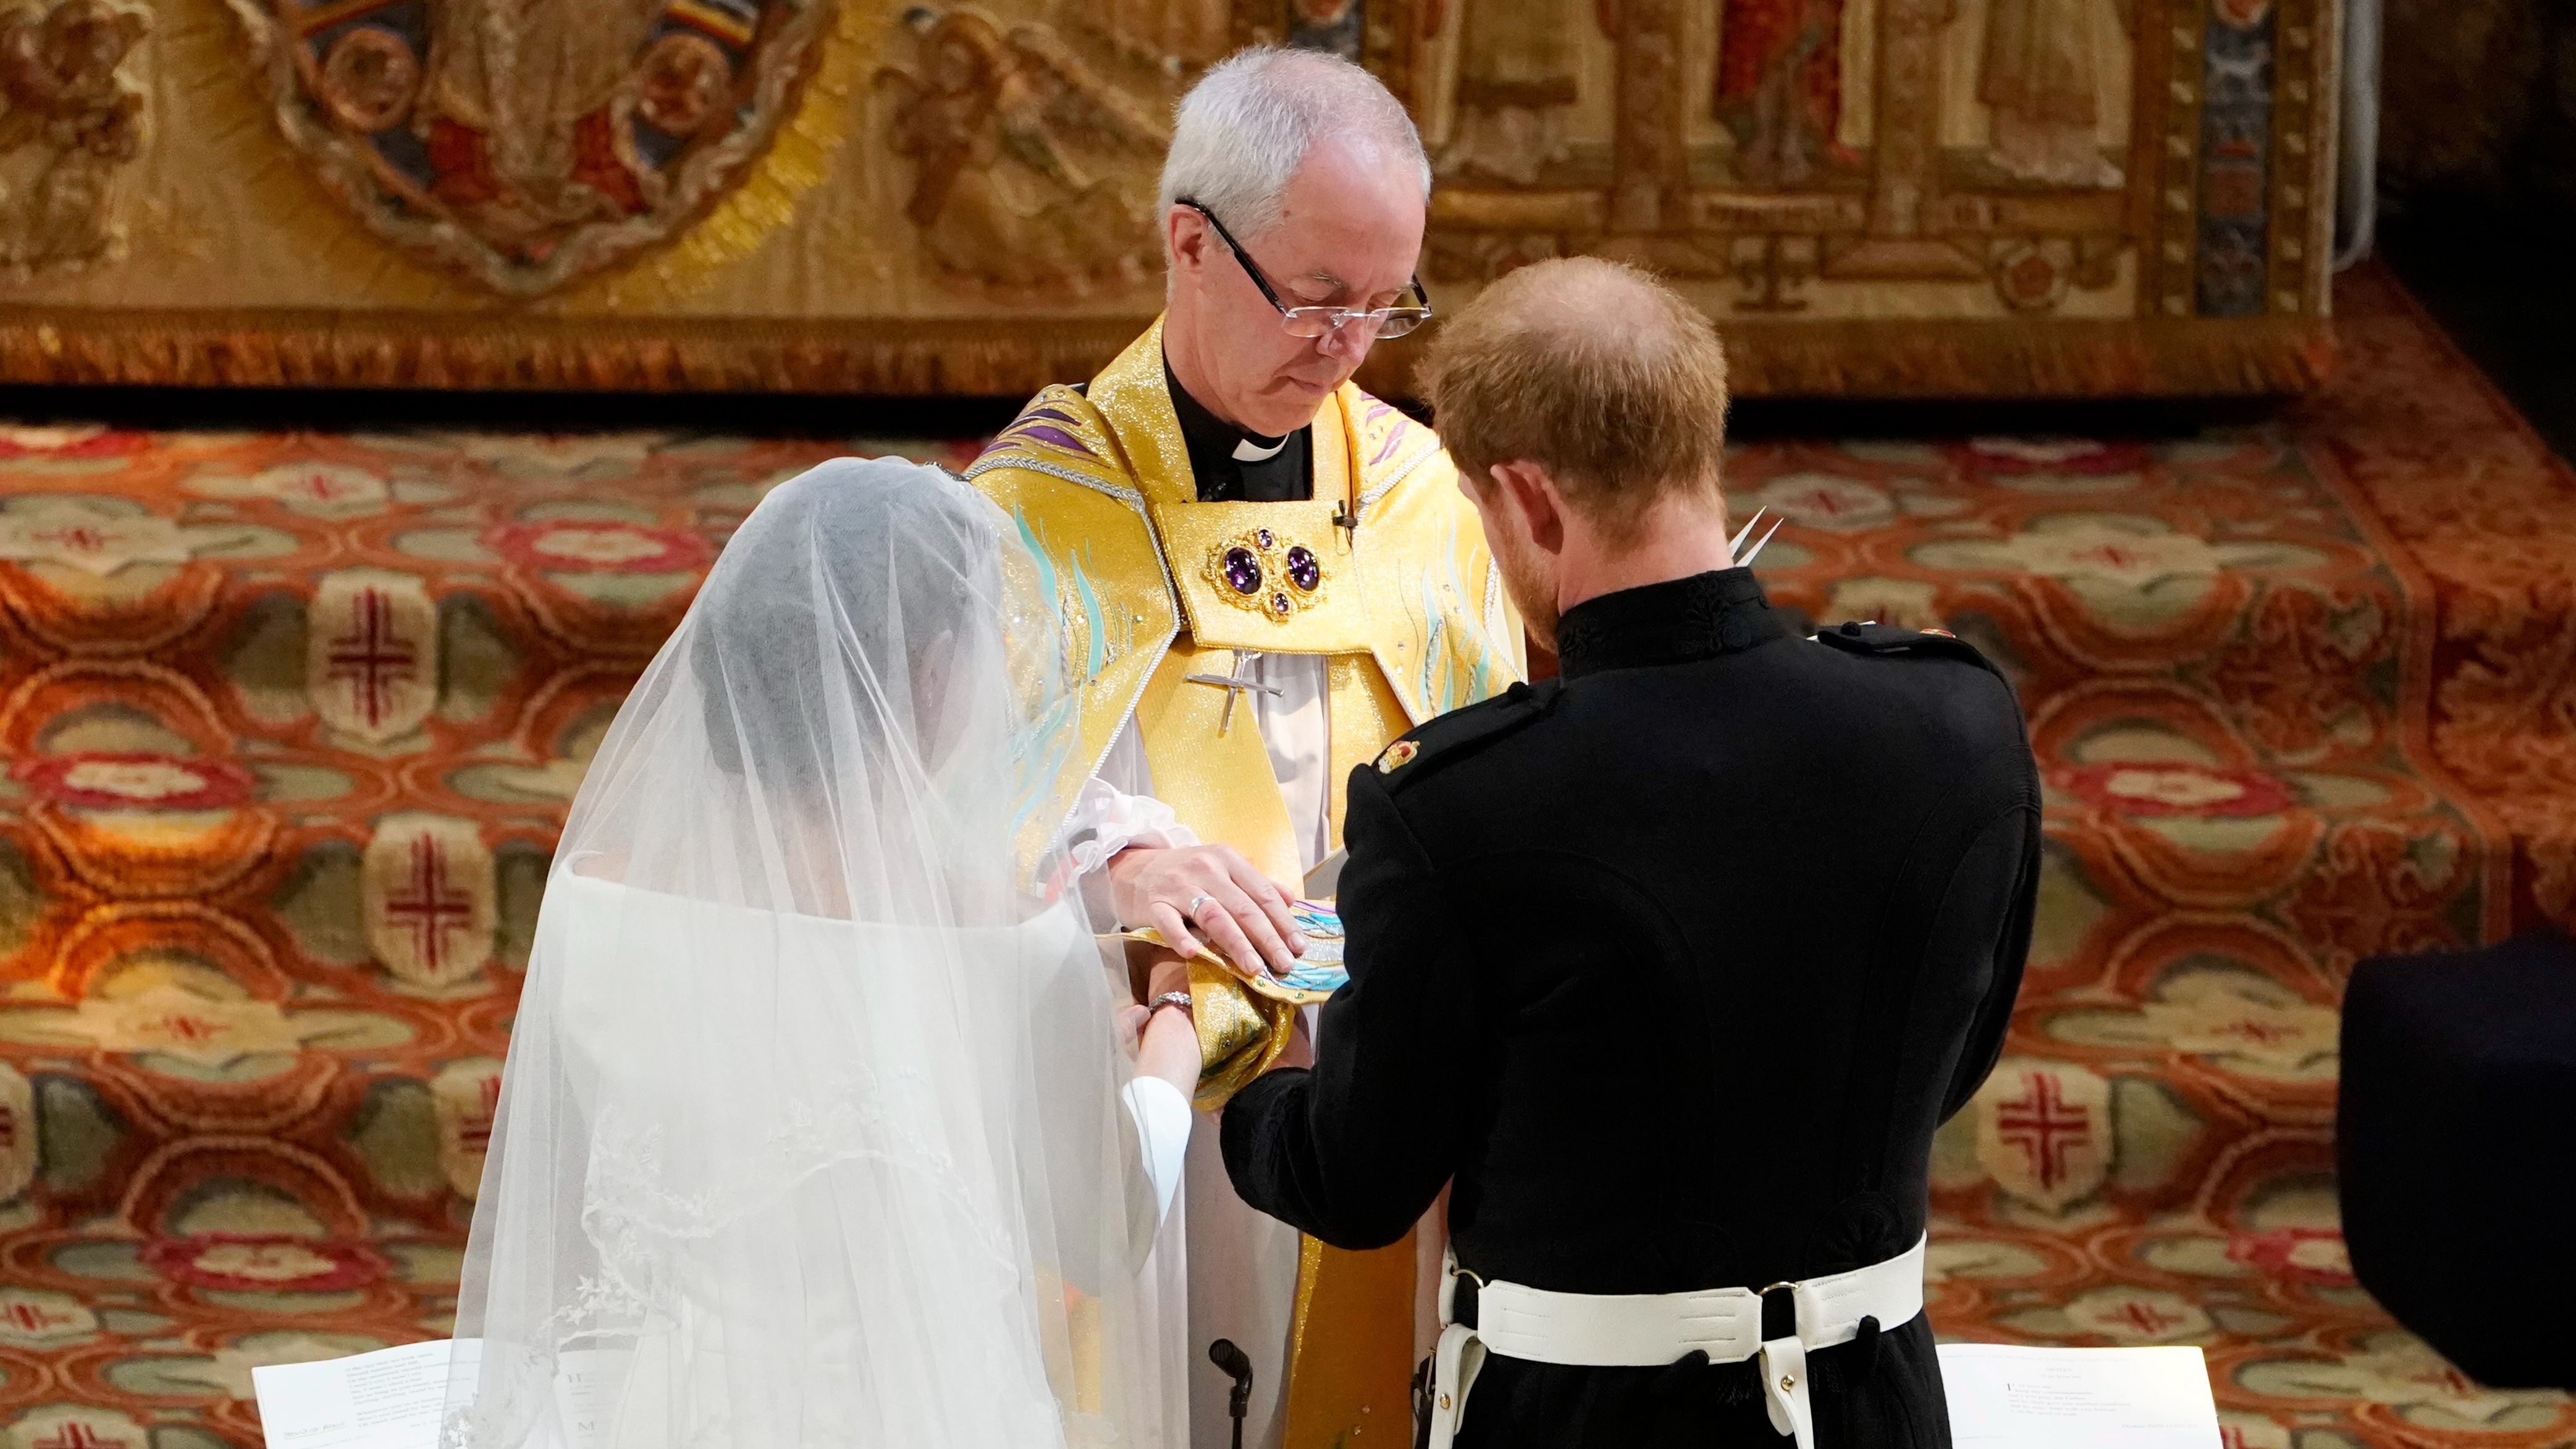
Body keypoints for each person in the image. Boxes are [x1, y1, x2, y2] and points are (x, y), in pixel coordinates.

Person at [1220, 258, 2041, 1448]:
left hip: (1584, 1417)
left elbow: (1357, 1183)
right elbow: (1953, 1061)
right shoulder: (1959, 722)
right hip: (1877, 1406)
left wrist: (1244, 1080)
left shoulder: (1463, 807)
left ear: (1529, 500)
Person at [966, 45, 1525, 1449]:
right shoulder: (1033, 511)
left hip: (1374, 1057)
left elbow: (1500, 775)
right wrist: (1114, 859)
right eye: (1317, 296)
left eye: (1385, 303)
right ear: (1189, 244)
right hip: (1131, 1052)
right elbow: (942, 796)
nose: (1348, 343)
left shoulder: (1417, 499)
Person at [446, 459, 1201, 1448]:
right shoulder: (1009, 939)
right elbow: (1111, 1231)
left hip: (681, 1414)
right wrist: (1171, 1038)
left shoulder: (595, 902)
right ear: (930, 677)